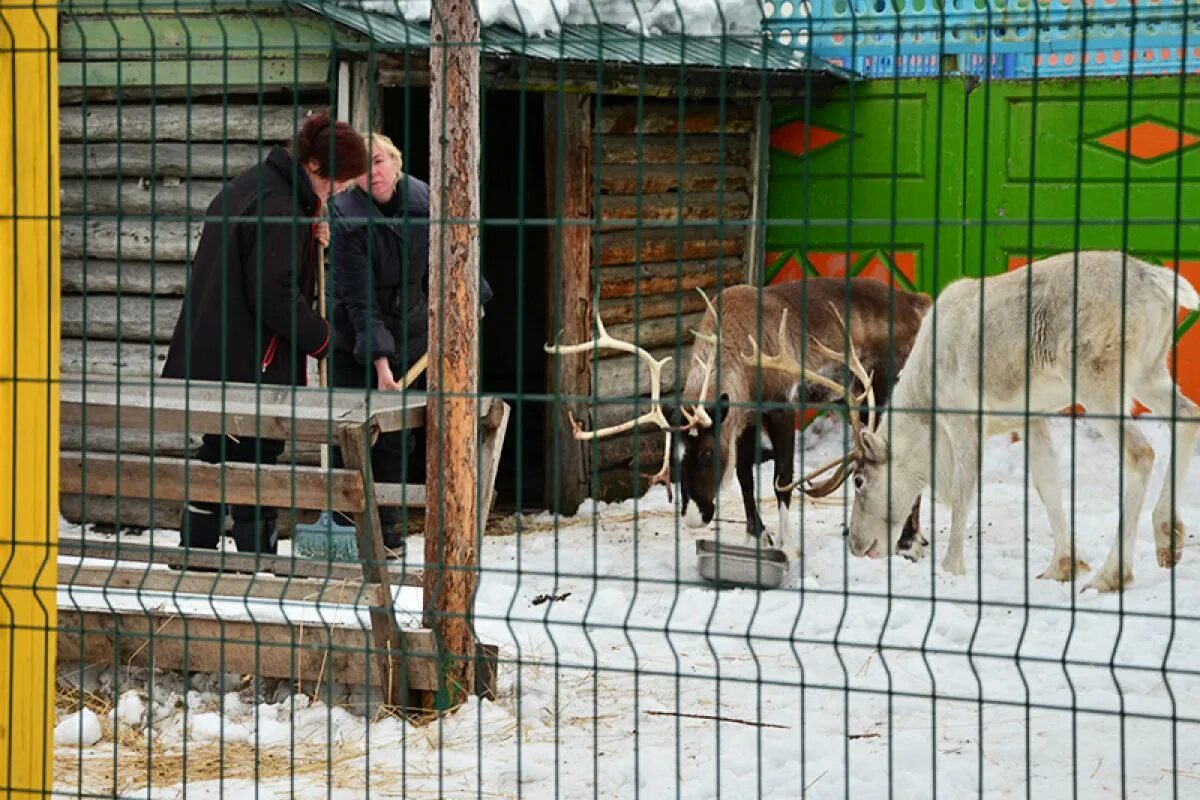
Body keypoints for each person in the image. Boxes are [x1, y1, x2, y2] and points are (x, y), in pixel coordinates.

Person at [162, 110, 369, 555]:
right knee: (255, 456)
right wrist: (322, 337)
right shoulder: (280, 207)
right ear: (315, 167)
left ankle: (196, 553)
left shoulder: (253, 186)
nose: (342, 190)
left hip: (214, 351)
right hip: (250, 362)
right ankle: (256, 561)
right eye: (340, 181)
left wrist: (308, 230)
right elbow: (273, 294)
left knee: (218, 451)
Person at [330, 133, 492, 549]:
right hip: (357, 338)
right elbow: (359, 300)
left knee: (399, 437)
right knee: (353, 433)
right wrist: (382, 365)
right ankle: (349, 529)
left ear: (396, 163)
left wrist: (472, 298)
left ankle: (387, 530)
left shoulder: (425, 202)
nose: (374, 172)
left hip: (412, 330)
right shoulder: (346, 217)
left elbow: (455, 253)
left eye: (380, 161)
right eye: (364, 166)